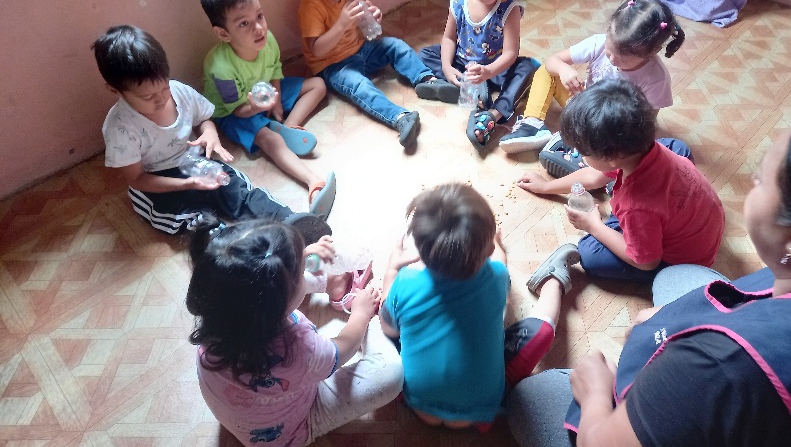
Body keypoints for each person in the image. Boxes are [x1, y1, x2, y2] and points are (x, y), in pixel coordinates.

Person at [507, 129, 791, 447]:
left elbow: (602, 444)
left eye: (760, 181)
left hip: (658, 404)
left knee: (530, 398)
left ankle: (555, 285)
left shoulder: (716, 368)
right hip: (706, 348)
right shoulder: (783, 273)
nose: (752, 180)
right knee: (676, 278)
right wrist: (671, 318)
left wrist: (596, 393)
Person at [91, 25, 331, 243]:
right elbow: (138, 179)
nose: (161, 98)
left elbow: (204, 119)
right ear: (115, 90)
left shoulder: (178, 91)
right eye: (147, 97)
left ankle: (289, 220)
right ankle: (231, 244)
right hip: (158, 184)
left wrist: (210, 134)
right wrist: (186, 184)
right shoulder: (120, 127)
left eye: (163, 87)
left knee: (236, 189)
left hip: (193, 162)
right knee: (194, 220)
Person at [187, 214, 403, 447]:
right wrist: (361, 313)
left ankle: (330, 284)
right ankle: (371, 317)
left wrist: (302, 257)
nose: (303, 267)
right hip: (289, 431)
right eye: (300, 271)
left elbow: (262, 285)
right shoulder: (298, 347)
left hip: (243, 409)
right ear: (277, 307)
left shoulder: (219, 308)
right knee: (390, 374)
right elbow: (343, 349)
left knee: (270, 284)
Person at [379, 183, 568, 429]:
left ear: (419, 251)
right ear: (489, 249)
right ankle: (554, 282)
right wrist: (497, 243)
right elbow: (500, 262)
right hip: (481, 409)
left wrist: (392, 270)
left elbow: (388, 329)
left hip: (418, 403)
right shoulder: (497, 275)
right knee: (540, 332)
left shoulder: (405, 281)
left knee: (387, 320)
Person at [517, 79, 723, 282]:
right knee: (675, 145)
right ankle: (614, 188)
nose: (581, 156)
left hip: (682, 263)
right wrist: (546, 186)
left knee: (589, 253)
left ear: (613, 158)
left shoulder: (636, 205)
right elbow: (593, 175)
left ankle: (613, 203)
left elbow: (647, 262)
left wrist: (593, 226)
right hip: (698, 224)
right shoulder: (644, 149)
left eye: (584, 153)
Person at [200, 0, 336, 219]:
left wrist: (277, 100)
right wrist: (257, 107)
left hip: (264, 92)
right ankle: (313, 182)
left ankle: (289, 126)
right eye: (244, 23)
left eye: (260, 16)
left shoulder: (267, 39)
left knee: (318, 85)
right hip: (234, 112)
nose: (259, 28)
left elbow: (275, 70)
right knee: (270, 140)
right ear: (223, 34)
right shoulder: (220, 67)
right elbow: (237, 110)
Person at [499, 0, 684, 156]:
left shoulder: (656, 79)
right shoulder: (599, 43)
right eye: (610, 52)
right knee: (545, 71)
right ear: (609, 29)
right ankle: (532, 124)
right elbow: (552, 61)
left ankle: (586, 149)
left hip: (608, 124)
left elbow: (644, 124)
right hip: (581, 101)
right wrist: (564, 70)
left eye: (623, 59)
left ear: (651, 52)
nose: (613, 60)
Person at [297, 0, 456, 147]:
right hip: (333, 65)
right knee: (360, 85)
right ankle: (400, 117)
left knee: (395, 45)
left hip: (359, 49)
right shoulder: (312, 4)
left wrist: (372, 18)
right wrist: (341, 24)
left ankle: (427, 80)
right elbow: (316, 50)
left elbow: (362, 22)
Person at [416, 0, 539, 146]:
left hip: (496, 69)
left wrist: (488, 71)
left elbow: (510, 53)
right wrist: (446, 67)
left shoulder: (510, 8)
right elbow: (449, 38)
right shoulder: (458, 1)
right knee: (425, 54)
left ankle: (493, 114)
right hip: (463, 64)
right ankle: (464, 85)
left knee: (528, 68)